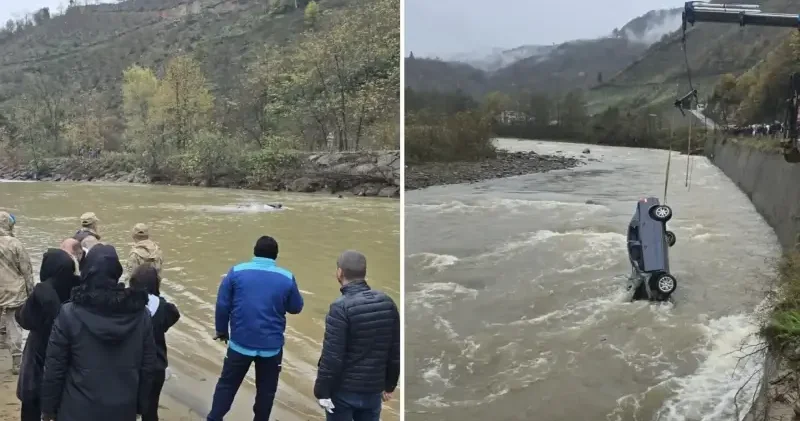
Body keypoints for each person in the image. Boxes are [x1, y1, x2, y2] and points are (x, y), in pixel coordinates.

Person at [40, 244, 157, 421]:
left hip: (76, 410)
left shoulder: (69, 314)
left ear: (86, 272)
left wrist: (48, 409)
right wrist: (140, 406)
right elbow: (148, 368)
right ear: (116, 273)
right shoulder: (141, 315)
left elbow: (55, 368)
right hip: (123, 409)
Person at [207, 236, 304, 421]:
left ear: (254, 252)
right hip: (271, 348)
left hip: (240, 344)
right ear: (276, 256)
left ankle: (214, 418)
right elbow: (296, 308)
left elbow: (222, 304)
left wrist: (221, 330)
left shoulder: (236, 272)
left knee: (227, 385)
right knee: (266, 392)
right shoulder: (287, 277)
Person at [313, 250, 400, 421]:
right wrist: (390, 385)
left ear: (340, 272)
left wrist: (322, 391)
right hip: (373, 391)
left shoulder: (340, 308)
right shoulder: (387, 302)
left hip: (344, 392)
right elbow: (395, 350)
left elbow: (332, 357)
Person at [15, 249, 80, 421]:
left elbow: (24, 319)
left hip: (37, 361)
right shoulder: (78, 290)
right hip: (67, 365)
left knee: (31, 410)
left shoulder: (42, 292)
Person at [129, 265, 180, 421]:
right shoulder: (165, 308)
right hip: (155, 365)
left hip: (131, 364)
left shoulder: (127, 304)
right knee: (151, 409)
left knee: (128, 406)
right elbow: (174, 315)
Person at [0, 211, 34, 374]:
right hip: (13, 290)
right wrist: (31, 292)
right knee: (14, 324)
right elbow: (26, 270)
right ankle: (16, 361)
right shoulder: (15, 244)